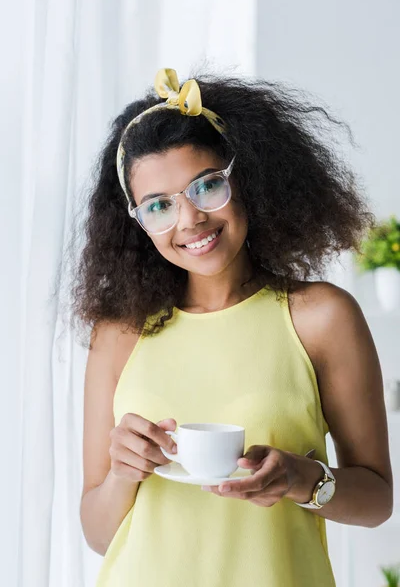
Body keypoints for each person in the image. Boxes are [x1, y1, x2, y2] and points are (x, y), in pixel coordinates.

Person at [73, 68, 393, 587]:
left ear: (245, 179)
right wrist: (121, 474)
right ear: (136, 221)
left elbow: (377, 500)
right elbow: (97, 532)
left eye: (207, 185)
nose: (190, 220)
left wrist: (302, 480)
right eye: (159, 205)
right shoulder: (118, 333)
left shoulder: (321, 317)